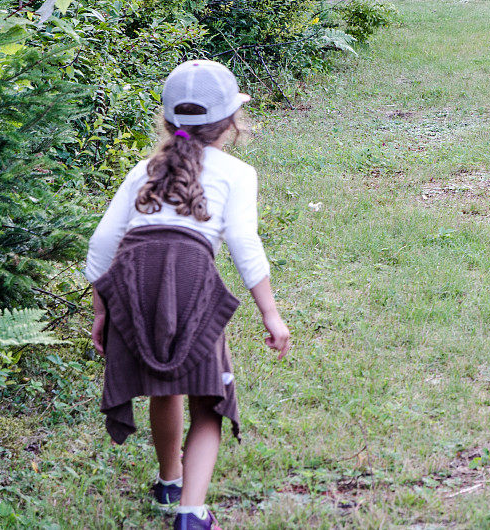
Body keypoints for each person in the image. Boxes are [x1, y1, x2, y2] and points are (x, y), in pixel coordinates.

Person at [84, 60, 291, 530]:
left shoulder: (144, 170)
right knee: (208, 398)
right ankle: (192, 515)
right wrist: (271, 315)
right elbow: (243, 243)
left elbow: (101, 244)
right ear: (233, 123)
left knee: (164, 385)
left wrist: (103, 308)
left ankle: (169, 481)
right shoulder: (237, 173)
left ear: (168, 121)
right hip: (190, 279)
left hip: (133, 282)